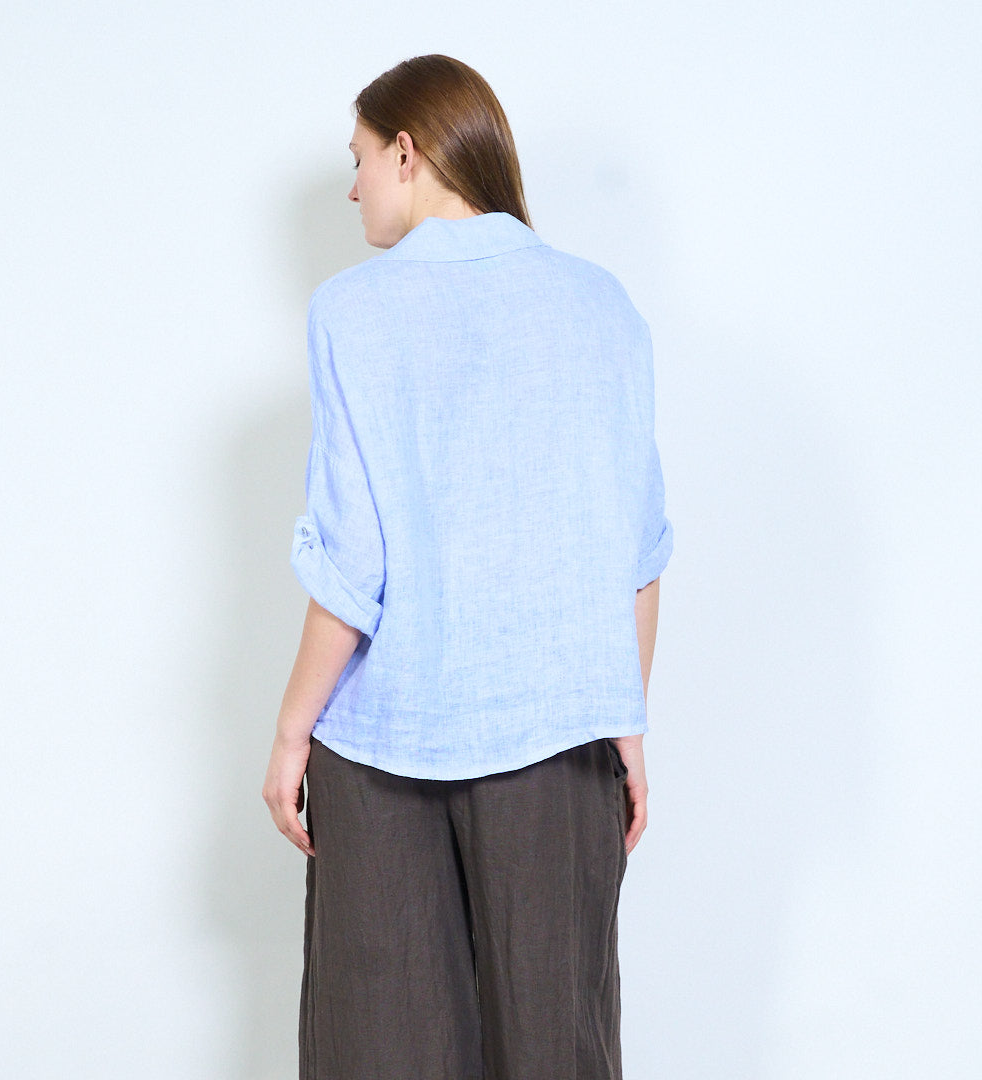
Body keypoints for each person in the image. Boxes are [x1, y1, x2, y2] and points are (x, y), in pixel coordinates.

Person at [263, 53, 673, 1080]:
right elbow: (634, 550)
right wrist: (623, 727)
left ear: (407, 151)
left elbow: (353, 563)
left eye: (360, 159)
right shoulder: (600, 303)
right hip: (562, 741)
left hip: (384, 750)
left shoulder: (351, 311)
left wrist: (290, 732)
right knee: (555, 1048)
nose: (354, 186)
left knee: (382, 1051)